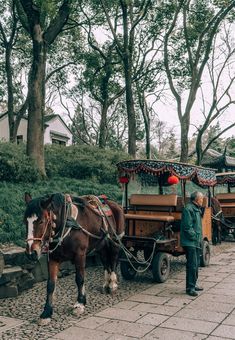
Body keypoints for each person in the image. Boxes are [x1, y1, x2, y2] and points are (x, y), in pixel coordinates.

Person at [180, 191, 204, 297]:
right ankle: (190, 288)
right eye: (201, 199)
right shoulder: (188, 209)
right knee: (192, 265)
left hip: (196, 241)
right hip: (190, 242)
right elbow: (187, 227)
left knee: (196, 263)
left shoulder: (196, 209)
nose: (202, 201)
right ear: (196, 199)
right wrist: (195, 237)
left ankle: (193, 284)